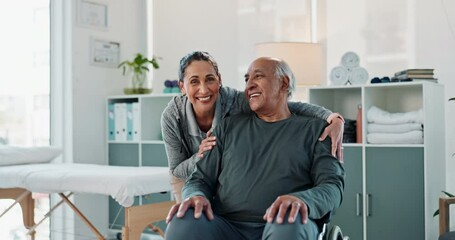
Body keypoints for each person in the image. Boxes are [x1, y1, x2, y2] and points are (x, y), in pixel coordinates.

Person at [164, 57, 345, 240]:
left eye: (257, 77)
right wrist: (195, 195)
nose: (249, 85)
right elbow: (199, 179)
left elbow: (332, 186)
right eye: (246, 79)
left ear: (284, 83)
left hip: (286, 223)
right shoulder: (227, 127)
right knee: (183, 221)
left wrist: (303, 200)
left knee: (286, 222)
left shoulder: (318, 131)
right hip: (226, 226)